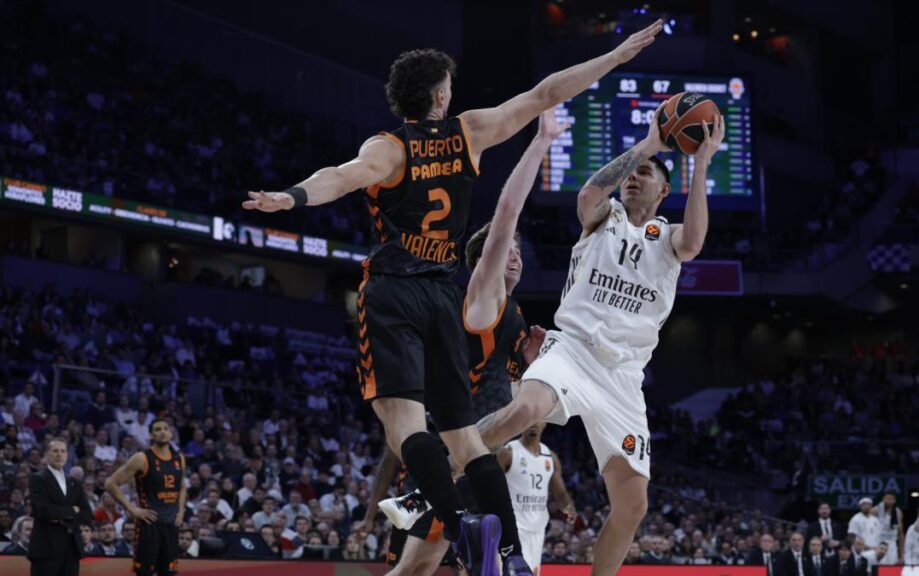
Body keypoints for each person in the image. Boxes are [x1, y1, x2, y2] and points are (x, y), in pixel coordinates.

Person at [243, 19, 664, 576]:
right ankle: (510, 556)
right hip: (446, 291)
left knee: (402, 428)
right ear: (442, 95)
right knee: (466, 439)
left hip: (395, 288)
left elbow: (341, 177)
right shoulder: (468, 132)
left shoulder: (389, 147)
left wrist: (292, 197)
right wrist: (615, 57)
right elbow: (546, 93)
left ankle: (458, 520)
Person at [473, 96, 722, 576]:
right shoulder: (601, 218)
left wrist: (702, 163)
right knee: (525, 409)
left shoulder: (668, 238)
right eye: (634, 171)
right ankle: (430, 480)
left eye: (647, 172)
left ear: (664, 191)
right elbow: (588, 193)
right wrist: (648, 143)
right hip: (572, 350)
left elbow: (693, 243)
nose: (635, 176)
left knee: (633, 506)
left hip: (623, 376)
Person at [370, 108, 572, 576]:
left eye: (522, 252)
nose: (516, 256)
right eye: (508, 251)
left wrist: (535, 357)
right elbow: (505, 215)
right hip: (465, 449)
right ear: (483, 261)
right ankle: (424, 489)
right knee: (426, 567)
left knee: (440, 567)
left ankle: (422, 492)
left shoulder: (515, 316)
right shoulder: (483, 296)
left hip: (473, 458)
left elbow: (521, 393)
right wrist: (540, 144)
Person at [104, 418, 187, 576]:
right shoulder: (141, 458)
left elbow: (182, 486)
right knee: (144, 573)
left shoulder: (179, 459)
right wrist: (133, 510)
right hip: (149, 526)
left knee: (169, 573)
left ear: (171, 433)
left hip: (171, 527)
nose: (162, 432)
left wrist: (181, 511)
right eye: (157, 429)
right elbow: (110, 483)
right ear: (151, 436)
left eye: (165, 428)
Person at [497, 422, 575, 574]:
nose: (533, 423)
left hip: (538, 529)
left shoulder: (550, 456)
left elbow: (560, 494)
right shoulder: (507, 453)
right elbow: (492, 490)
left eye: (538, 419)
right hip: (514, 527)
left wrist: (568, 507)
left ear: (545, 423)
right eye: (530, 419)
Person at [26, 438, 93, 576]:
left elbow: (86, 513)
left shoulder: (75, 482)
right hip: (46, 548)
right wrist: (72, 511)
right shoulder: (37, 479)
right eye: (55, 451)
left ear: (67, 455)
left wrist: (61, 517)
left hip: (71, 547)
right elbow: (43, 511)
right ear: (46, 454)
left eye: (63, 451)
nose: (59, 454)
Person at [874, 490, 903, 564]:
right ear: (883, 499)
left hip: (892, 544)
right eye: (887, 498)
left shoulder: (898, 512)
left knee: (891, 567)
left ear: (894, 501)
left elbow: (900, 533)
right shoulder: (875, 510)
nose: (888, 501)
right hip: (879, 541)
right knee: (879, 566)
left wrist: (901, 554)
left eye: (891, 499)